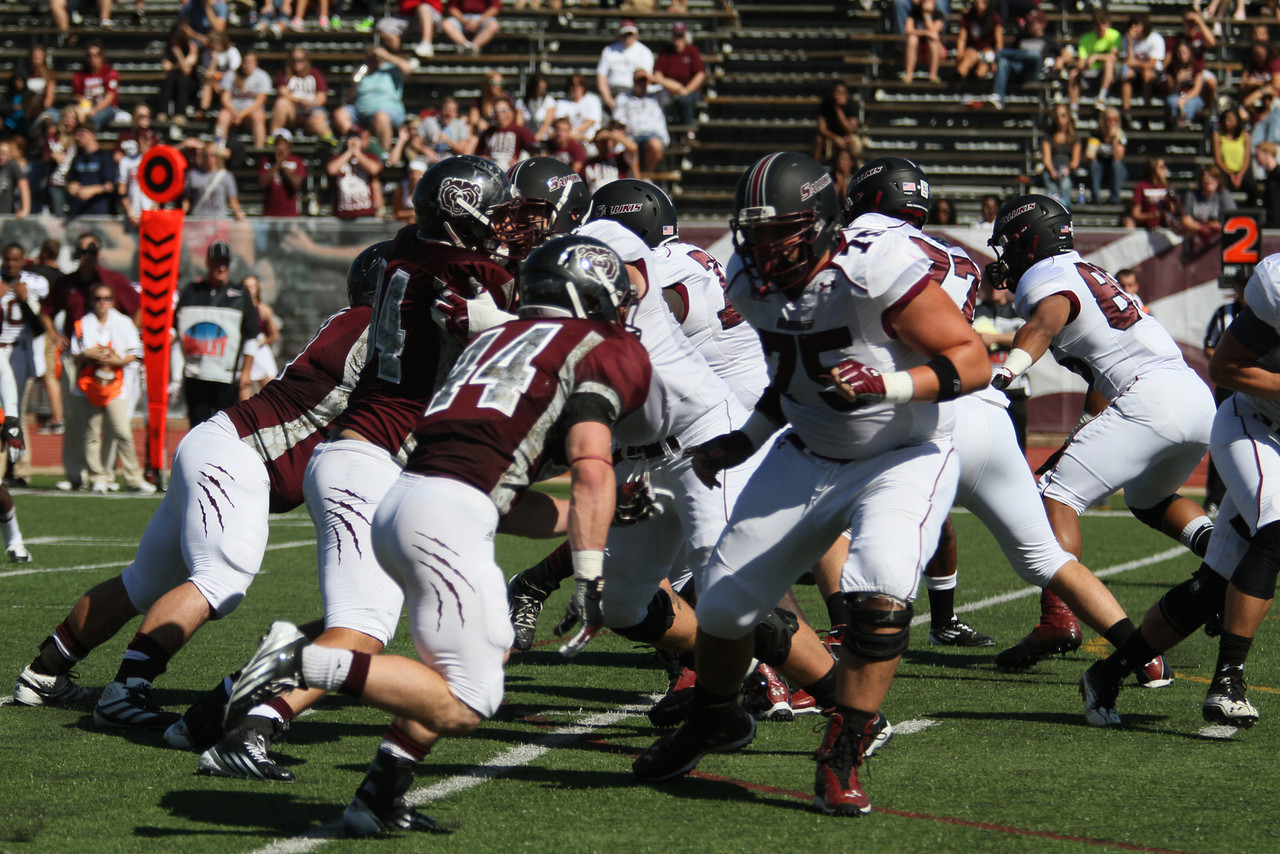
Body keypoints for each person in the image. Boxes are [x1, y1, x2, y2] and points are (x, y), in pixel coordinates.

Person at [222, 234, 650, 832]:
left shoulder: (495, 341)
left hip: (410, 500)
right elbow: (590, 465)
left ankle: (380, 792)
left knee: (492, 645)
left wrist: (593, 518)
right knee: (471, 700)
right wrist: (588, 571)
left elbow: (509, 502)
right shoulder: (605, 346)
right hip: (443, 516)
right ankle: (298, 659)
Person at [629, 152, 990, 815]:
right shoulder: (747, 278)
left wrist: (886, 383)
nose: (765, 247)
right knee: (723, 606)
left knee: (879, 587)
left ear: (825, 222)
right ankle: (714, 716)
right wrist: (744, 440)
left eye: (782, 230)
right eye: (756, 232)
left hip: (903, 450)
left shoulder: (874, 266)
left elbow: (973, 360)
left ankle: (843, 750)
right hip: (807, 448)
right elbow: (790, 374)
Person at [194, 157, 523, 783]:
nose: (503, 226)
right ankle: (254, 730)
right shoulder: (466, 271)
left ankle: (216, 706)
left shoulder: (407, 252)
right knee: (366, 628)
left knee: (388, 615)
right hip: (371, 460)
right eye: (495, 211)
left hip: (375, 461)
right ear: (461, 210)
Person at [9, 247, 384, 727]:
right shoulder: (370, 327)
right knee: (221, 578)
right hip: (240, 455)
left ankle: (43, 674)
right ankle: (124, 693)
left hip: (221, 443)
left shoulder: (358, 323)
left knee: (142, 582)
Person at [988, 195, 1217, 673]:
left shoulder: (1046, 280)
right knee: (1149, 499)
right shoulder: (1085, 268)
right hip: (1192, 397)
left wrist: (1005, 374)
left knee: (1053, 494)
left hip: (1149, 396)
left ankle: (1062, 618)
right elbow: (1100, 375)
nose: (1005, 256)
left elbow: (1047, 319)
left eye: (1009, 244)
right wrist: (1087, 431)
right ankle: (1223, 557)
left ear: (1030, 239)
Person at [1077, 254, 1280, 728]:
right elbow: (1226, 367)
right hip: (1254, 426)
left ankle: (1106, 674)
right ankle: (1228, 681)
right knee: (1275, 531)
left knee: (1214, 587)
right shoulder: (1275, 290)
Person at [44, 232, 140, 491]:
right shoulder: (67, 282)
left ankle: (105, 473)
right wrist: (55, 335)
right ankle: (76, 474)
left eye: (93, 250)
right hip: (78, 358)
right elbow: (47, 311)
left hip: (110, 364)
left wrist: (127, 339)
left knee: (112, 421)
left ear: (99, 253)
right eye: (84, 250)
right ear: (77, 252)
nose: (89, 256)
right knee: (76, 419)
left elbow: (138, 307)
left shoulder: (113, 280)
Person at [70, 282, 152, 494]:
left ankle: (134, 478)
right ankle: (97, 477)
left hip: (115, 386)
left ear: (113, 301)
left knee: (122, 431)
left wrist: (116, 360)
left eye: (106, 298)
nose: (102, 303)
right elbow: (75, 355)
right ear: (91, 300)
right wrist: (89, 355)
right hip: (88, 385)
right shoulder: (83, 323)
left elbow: (135, 353)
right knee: (92, 433)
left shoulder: (123, 322)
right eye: (98, 298)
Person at [172, 241, 258, 427]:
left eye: (225, 263)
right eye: (217, 262)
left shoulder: (241, 295)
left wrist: (246, 372)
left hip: (225, 378)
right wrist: (175, 376)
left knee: (223, 429)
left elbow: (252, 335)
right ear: (208, 263)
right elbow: (175, 332)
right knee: (197, 427)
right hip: (195, 376)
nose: (221, 267)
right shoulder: (190, 292)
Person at [1201, 277, 1247, 514]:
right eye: (1241, 286)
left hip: (1258, 385)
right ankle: (1215, 498)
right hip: (1231, 384)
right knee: (1224, 437)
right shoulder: (1225, 314)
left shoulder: (1269, 313)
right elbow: (1209, 346)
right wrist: (1229, 365)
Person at [332, 43, 413, 153]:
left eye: (375, 57)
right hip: (360, 111)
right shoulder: (363, 72)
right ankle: (356, 140)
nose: (373, 60)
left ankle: (384, 153)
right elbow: (349, 99)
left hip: (388, 111)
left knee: (381, 116)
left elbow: (407, 68)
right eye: (370, 58)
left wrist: (386, 55)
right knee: (340, 113)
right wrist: (354, 83)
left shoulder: (392, 70)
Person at [988, 9, 1062, 110]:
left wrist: (1060, 60)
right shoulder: (1021, 38)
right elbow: (1012, 54)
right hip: (1018, 69)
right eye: (1029, 22)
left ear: (1042, 24)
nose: (1029, 25)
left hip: (1034, 72)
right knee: (1003, 62)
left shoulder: (1048, 40)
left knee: (1035, 55)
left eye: (1033, 23)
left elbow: (1067, 54)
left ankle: (999, 53)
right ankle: (998, 96)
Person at [270, 47, 334, 144]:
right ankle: (274, 136)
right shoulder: (284, 74)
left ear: (306, 60)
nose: (297, 62)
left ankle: (329, 142)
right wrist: (300, 101)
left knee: (319, 117)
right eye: (294, 60)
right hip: (292, 110)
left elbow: (322, 97)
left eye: (300, 60)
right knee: (281, 103)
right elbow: (282, 92)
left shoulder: (315, 73)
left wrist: (311, 103)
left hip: (311, 109)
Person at [613, 71, 669, 177]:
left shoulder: (657, 94)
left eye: (643, 80)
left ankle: (647, 176)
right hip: (632, 136)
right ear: (633, 80)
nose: (640, 83)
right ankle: (637, 180)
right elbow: (618, 122)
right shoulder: (623, 98)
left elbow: (680, 90)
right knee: (630, 147)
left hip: (654, 135)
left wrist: (655, 79)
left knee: (655, 144)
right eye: (638, 79)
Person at [652, 22, 705, 127]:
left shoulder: (692, 51)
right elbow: (657, 74)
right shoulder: (666, 52)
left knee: (684, 100)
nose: (678, 39)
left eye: (680, 36)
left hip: (689, 89)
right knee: (658, 99)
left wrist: (687, 90)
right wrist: (672, 87)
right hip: (669, 89)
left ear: (685, 37)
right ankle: (662, 127)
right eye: (676, 36)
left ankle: (688, 130)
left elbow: (700, 74)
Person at [1067, 8, 1121, 114]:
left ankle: (1101, 98)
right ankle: (1073, 111)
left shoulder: (1115, 36)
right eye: (1098, 24)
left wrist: (1096, 56)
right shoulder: (1085, 39)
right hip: (1092, 71)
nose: (1101, 28)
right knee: (1073, 75)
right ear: (1093, 26)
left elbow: (1113, 57)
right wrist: (1080, 68)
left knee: (1109, 63)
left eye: (1103, 24)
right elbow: (1081, 62)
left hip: (1112, 73)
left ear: (1108, 24)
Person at [216, 51, 271, 150]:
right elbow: (225, 98)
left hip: (250, 111)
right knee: (222, 116)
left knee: (259, 116)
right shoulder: (232, 74)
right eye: (245, 62)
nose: (247, 65)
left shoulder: (262, 76)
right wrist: (234, 113)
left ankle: (259, 149)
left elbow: (260, 101)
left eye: (250, 62)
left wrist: (241, 114)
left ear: (255, 63)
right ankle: (218, 148)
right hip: (233, 110)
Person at [598, 19, 654, 112]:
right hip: (612, 91)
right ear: (620, 35)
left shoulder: (645, 52)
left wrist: (636, 97)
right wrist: (608, 99)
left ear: (636, 35)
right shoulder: (609, 50)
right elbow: (601, 76)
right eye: (625, 34)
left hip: (634, 92)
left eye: (630, 34)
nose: (627, 37)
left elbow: (645, 77)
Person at [327, 128, 384, 219]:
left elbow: (374, 169)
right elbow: (331, 170)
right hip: (343, 214)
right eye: (351, 137)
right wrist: (349, 152)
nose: (354, 141)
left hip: (366, 213)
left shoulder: (371, 157)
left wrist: (357, 153)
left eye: (358, 138)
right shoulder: (337, 158)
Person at [1118, 13, 1165, 123]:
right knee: (1126, 74)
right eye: (1132, 25)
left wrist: (1135, 63)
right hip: (1135, 74)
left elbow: (1152, 64)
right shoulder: (1126, 39)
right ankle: (1126, 112)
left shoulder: (1155, 39)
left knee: (1146, 73)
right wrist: (1129, 44)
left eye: (1137, 25)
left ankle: (1146, 112)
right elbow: (1128, 62)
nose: (1133, 28)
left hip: (1154, 75)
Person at [183, 143, 246, 221]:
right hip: (198, 219)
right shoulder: (193, 175)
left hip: (219, 219)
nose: (209, 158)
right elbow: (187, 200)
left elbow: (233, 201)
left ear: (218, 157)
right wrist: (181, 214)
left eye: (213, 155)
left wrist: (238, 212)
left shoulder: (226, 176)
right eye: (206, 155)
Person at [65, 124, 116, 220]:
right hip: (78, 213)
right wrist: (70, 187)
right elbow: (69, 181)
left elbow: (110, 186)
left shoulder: (104, 157)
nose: (77, 137)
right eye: (76, 134)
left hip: (99, 212)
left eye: (81, 134)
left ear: (92, 133)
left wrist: (92, 190)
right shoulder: (77, 159)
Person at [1180, 165, 1236, 251]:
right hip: (1196, 235)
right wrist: (1201, 228)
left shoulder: (1224, 195)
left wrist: (1217, 226)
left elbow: (1233, 219)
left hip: (1219, 238)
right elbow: (1186, 220)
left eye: (1213, 178)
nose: (1209, 181)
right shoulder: (1191, 195)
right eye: (1206, 179)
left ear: (1218, 180)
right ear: (1201, 181)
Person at [241, 275, 278, 396]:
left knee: (271, 389)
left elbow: (274, 335)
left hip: (260, 351)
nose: (249, 290)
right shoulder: (237, 308)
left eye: (252, 287)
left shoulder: (264, 310)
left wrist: (264, 341)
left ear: (257, 289)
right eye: (246, 287)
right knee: (244, 384)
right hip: (244, 351)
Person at [73, 41, 123, 131]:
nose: (93, 58)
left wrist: (95, 110)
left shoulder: (110, 72)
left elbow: (110, 96)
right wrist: (82, 101)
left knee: (93, 119)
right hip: (87, 106)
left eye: (96, 55)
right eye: (90, 55)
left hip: (106, 107)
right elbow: (76, 95)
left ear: (102, 57)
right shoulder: (80, 75)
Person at [476, 99, 538, 171]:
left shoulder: (519, 131)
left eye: (503, 110)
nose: (499, 114)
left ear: (511, 112)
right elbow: (479, 152)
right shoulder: (489, 132)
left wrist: (520, 163)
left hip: (510, 171)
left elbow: (534, 148)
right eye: (496, 110)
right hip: (492, 170)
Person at [1040, 104, 1080, 208]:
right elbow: (1046, 158)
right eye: (1056, 116)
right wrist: (1052, 170)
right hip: (1051, 167)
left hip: (1067, 168)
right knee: (1051, 189)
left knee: (1065, 183)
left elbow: (1075, 161)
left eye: (1062, 115)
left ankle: (1065, 208)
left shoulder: (1074, 137)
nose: (1059, 119)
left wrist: (1067, 169)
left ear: (1068, 117)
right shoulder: (1048, 136)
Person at [258, 130, 305, 217]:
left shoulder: (298, 161)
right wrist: (277, 164)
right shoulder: (266, 162)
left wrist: (283, 166)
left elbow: (296, 184)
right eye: (277, 143)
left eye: (282, 143)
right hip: (270, 214)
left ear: (289, 145)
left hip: (290, 214)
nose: (279, 147)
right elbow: (262, 184)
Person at [813, 81, 862, 166]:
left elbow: (850, 129)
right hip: (831, 136)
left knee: (851, 141)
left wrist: (838, 110)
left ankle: (855, 166)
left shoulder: (852, 105)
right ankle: (816, 166)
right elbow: (821, 128)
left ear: (846, 95)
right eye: (834, 92)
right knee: (818, 139)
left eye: (840, 93)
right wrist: (835, 138)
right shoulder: (826, 104)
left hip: (846, 136)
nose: (836, 95)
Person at [1085, 107, 1127, 204]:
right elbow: (1089, 156)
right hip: (1101, 168)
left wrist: (1114, 139)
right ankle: (1095, 198)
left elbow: (1118, 158)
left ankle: (1115, 197)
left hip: (1116, 171)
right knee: (1093, 165)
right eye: (1109, 119)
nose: (1112, 123)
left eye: (1115, 120)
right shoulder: (1095, 135)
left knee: (1116, 165)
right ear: (1103, 120)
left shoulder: (1121, 137)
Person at [1213, 106, 1254, 204]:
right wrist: (1230, 174)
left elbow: (1247, 158)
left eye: (1230, 119)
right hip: (1225, 171)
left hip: (1242, 171)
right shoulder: (1217, 135)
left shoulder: (1245, 135)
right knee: (1222, 185)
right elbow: (1218, 158)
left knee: (1253, 187)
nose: (1227, 122)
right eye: (1225, 119)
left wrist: (1239, 175)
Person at [1163, 38, 1206, 130]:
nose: (1182, 56)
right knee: (1171, 101)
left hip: (1192, 96)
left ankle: (1184, 121)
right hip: (1176, 96)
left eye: (1184, 52)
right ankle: (1179, 124)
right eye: (1179, 53)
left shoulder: (1197, 65)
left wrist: (1184, 100)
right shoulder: (1171, 68)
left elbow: (1197, 89)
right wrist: (1179, 80)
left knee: (1190, 104)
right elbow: (1171, 91)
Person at [375, 0, 441, 59]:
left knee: (423, 8)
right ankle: (403, 58)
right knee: (383, 25)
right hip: (406, 15)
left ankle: (426, 44)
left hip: (429, 13)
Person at [954, 0, 1001, 81]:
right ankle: (960, 79)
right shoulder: (968, 17)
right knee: (964, 66)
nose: (979, 5)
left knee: (981, 69)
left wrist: (996, 61)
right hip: (972, 49)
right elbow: (961, 39)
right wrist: (960, 56)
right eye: (977, 2)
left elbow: (998, 42)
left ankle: (977, 77)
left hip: (987, 50)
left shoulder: (994, 18)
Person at [551, 74, 603, 147]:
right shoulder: (561, 103)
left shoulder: (593, 100)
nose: (576, 88)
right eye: (572, 85)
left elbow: (591, 121)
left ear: (584, 86)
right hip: (567, 141)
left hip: (589, 142)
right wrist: (570, 135)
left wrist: (575, 132)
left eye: (579, 85)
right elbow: (560, 123)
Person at [417, 95, 475, 161]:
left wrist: (448, 141)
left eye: (452, 110)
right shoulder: (429, 122)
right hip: (429, 156)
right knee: (415, 168)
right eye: (447, 109)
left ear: (456, 113)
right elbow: (415, 142)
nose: (449, 113)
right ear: (441, 109)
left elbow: (463, 149)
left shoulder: (460, 125)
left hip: (450, 158)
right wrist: (425, 150)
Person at [197, 31, 240, 118]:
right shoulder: (208, 54)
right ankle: (203, 112)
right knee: (207, 85)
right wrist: (214, 59)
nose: (212, 46)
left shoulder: (232, 52)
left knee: (221, 85)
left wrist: (217, 77)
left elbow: (233, 73)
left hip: (232, 85)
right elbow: (208, 74)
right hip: (214, 84)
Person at [902, 0, 945, 84]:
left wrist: (926, 15)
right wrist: (925, 33)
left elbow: (933, 31)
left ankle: (933, 75)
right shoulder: (914, 12)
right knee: (912, 39)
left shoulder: (938, 14)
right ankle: (908, 74)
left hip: (935, 50)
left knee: (932, 41)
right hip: (918, 49)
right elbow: (908, 30)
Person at [1131, 156, 1179, 230]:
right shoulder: (1141, 186)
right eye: (1161, 167)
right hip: (1147, 229)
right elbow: (1135, 214)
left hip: (1165, 228)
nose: (1165, 169)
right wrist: (1152, 216)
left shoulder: (1167, 187)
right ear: (1153, 169)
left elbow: (1172, 210)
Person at [0, 140, 31, 218]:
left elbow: (23, 185)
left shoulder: (12, 165)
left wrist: (25, 210)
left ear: (9, 154)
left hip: (6, 214)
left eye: (4, 153)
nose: (1, 156)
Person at [390, 157, 426, 222]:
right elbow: (397, 213)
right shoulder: (401, 188)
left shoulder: (428, 189)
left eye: (417, 174)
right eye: (412, 173)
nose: (414, 176)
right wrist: (414, 214)